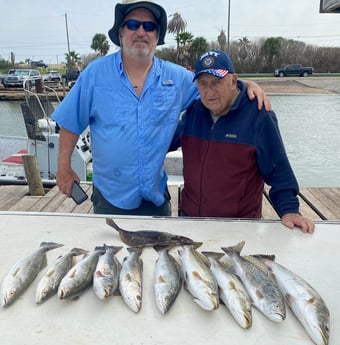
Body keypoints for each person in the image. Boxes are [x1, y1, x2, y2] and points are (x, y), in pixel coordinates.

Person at [52, 0, 270, 217]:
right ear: (120, 32)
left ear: (157, 36)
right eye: (133, 24)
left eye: (149, 27)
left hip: (155, 197)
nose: (141, 31)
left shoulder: (177, 77)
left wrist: (246, 85)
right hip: (110, 197)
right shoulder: (95, 73)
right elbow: (71, 122)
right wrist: (64, 167)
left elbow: (214, 91)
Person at [169, 49, 315, 233]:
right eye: (203, 83)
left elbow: (278, 170)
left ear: (233, 80)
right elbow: (160, 144)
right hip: (190, 220)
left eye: (217, 82)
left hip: (239, 226)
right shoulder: (193, 113)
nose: (209, 91)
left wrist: (289, 210)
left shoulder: (259, 116)